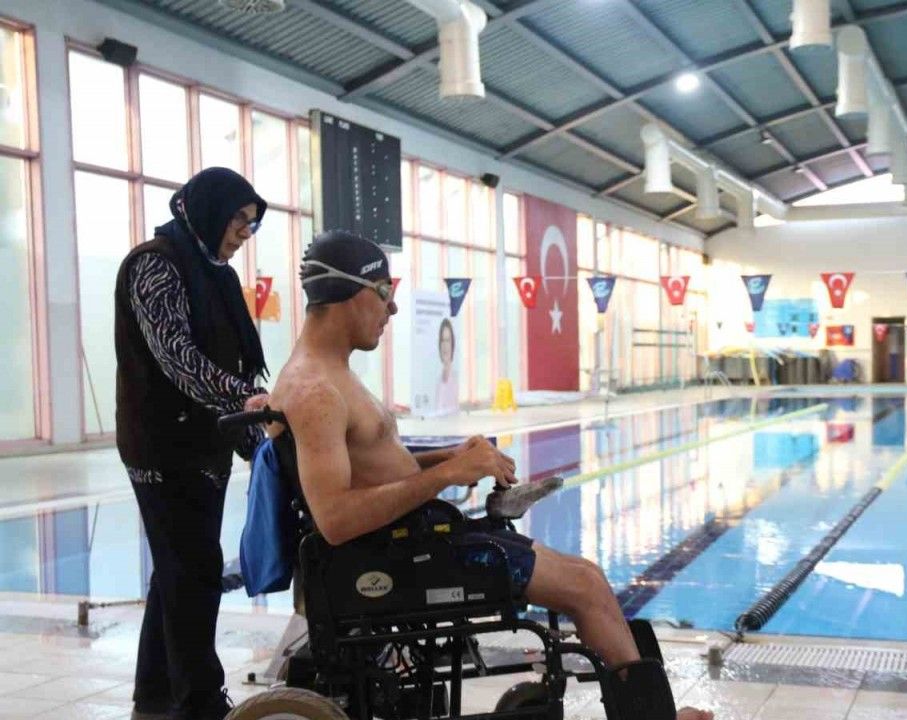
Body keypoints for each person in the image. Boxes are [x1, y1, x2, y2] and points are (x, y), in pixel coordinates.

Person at [265, 231, 711, 720]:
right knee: (583, 588)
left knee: (588, 576)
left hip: (415, 542)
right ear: (352, 293)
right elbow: (335, 518)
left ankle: (653, 711)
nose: (392, 308)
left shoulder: (329, 374)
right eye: (384, 292)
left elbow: (368, 464)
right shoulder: (317, 390)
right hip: (397, 559)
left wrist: (451, 456)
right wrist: (448, 473)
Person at [114, 167, 271, 720]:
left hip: (204, 443)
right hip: (161, 447)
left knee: (176, 570)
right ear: (209, 211)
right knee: (195, 569)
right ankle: (199, 702)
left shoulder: (215, 273)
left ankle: (155, 695)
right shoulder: (155, 264)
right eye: (238, 220)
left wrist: (258, 439)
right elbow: (176, 357)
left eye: (251, 224)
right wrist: (244, 398)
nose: (244, 233)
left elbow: (233, 360)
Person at [434, 317, 459, 413]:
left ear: (452, 344)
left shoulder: (456, 378)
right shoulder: (438, 380)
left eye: (448, 341)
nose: (445, 345)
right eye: (442, 341)